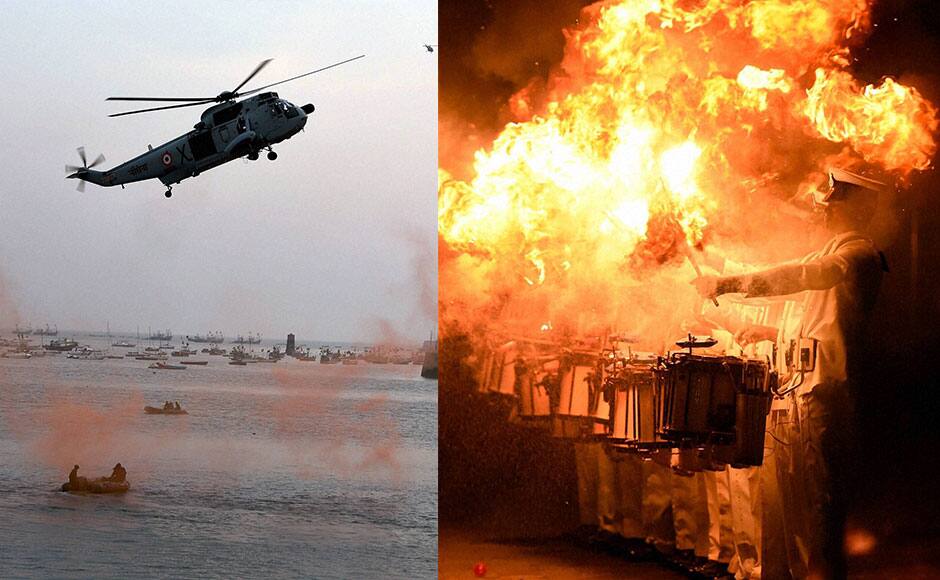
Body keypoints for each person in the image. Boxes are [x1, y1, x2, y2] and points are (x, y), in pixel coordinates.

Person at [692, 167, 887, 579]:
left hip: (824, 396)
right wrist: (714, 263)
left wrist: (726, 282)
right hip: (797, 392)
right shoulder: (828, 253)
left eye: (833, 205)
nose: (824, 213)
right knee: (791, 509)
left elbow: (796, 276)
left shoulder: (859, 255)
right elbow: (793, 285)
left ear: (857, 209)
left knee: (818, 511)